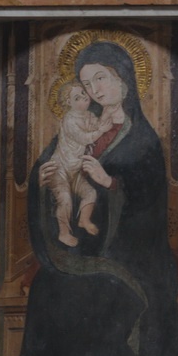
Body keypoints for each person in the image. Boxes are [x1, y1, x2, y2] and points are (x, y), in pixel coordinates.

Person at [16, 38, 178, 356]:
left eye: (101, 78)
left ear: (124, 79)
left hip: (134, 254)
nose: (95, 90)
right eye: (87, 83)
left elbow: (150, 203)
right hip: (84, 249)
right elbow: (52, 166)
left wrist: (110, 183)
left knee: (104, 293)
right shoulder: (79, 124)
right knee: (49, 287)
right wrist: (44, 178)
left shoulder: (142, 137)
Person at [50, 79, 116, 247]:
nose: (84, 98)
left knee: (90, 193)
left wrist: (106, 115)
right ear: (69, 103)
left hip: (75, 169)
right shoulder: (69, 120)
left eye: (83, 94)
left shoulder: (88, 115)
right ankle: (64, 233)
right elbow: (84, 138)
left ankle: (84, 220)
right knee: (65, 199)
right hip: (60, 169)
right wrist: (100, 130)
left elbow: (97, 125)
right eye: (77, 98)